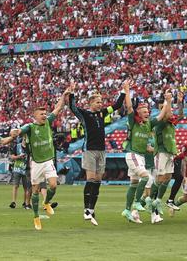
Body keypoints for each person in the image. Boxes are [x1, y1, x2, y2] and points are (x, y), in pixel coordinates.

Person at [68, 80, 127, 226]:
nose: (100, 104)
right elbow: (73, 107)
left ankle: (92, 209)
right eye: (97, 102)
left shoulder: (102, 113)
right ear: (90, 103)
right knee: (91, 179)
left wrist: (124, 91)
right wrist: (72, 93)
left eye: (101, 102)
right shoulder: (85, 114)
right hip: (90, 150)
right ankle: (86, 209)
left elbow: (117, 105)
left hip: (102, 150)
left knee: (98, 181)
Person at [18, 88, 68, 230]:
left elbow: (58, 108)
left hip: (48, 161)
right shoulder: (30, 127)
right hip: (36, 163)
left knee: (53, 185)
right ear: (35, 116)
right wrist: (15, 132)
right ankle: (36, 217)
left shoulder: (48, 122)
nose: (44, 115)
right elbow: (20, 130)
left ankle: (46, 203)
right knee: (35, 191)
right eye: (41, 114)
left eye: (45, 113)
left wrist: (64, 95)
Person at [149, 89, 184, 224]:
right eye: (169, 112)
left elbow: (180, 115)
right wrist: (168, 101)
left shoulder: (171, 123)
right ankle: (152, 206)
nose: (172, 114)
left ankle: (156, 202)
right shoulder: (161, 123)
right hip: (161, 153)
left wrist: (180, 102)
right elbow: (165, 115)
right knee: (160, 179)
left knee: (168, 178)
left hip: (170, 153)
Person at [121, 81, 153, 224]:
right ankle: (137, 203)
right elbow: (128, 107)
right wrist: (127, 90)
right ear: (138, 112)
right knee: (146, 177)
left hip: (140, 156)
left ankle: (127, 210)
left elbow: (148, 147)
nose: (147, 113)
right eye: (144, 111)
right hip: (133, 155)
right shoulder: (133, 121)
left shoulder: (147, 125)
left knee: (134, 183)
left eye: (148, 111)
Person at [9, 137, 31, 210]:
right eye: (25, 139)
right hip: (17, 168)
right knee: (15, 186)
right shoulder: (17, 146)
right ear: (23, 139)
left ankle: (25, 202)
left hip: (26, 169)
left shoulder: (29, 147)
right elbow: (12, 156)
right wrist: (19, 156)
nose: (26, 141)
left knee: (26, 187)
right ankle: (13, 202)